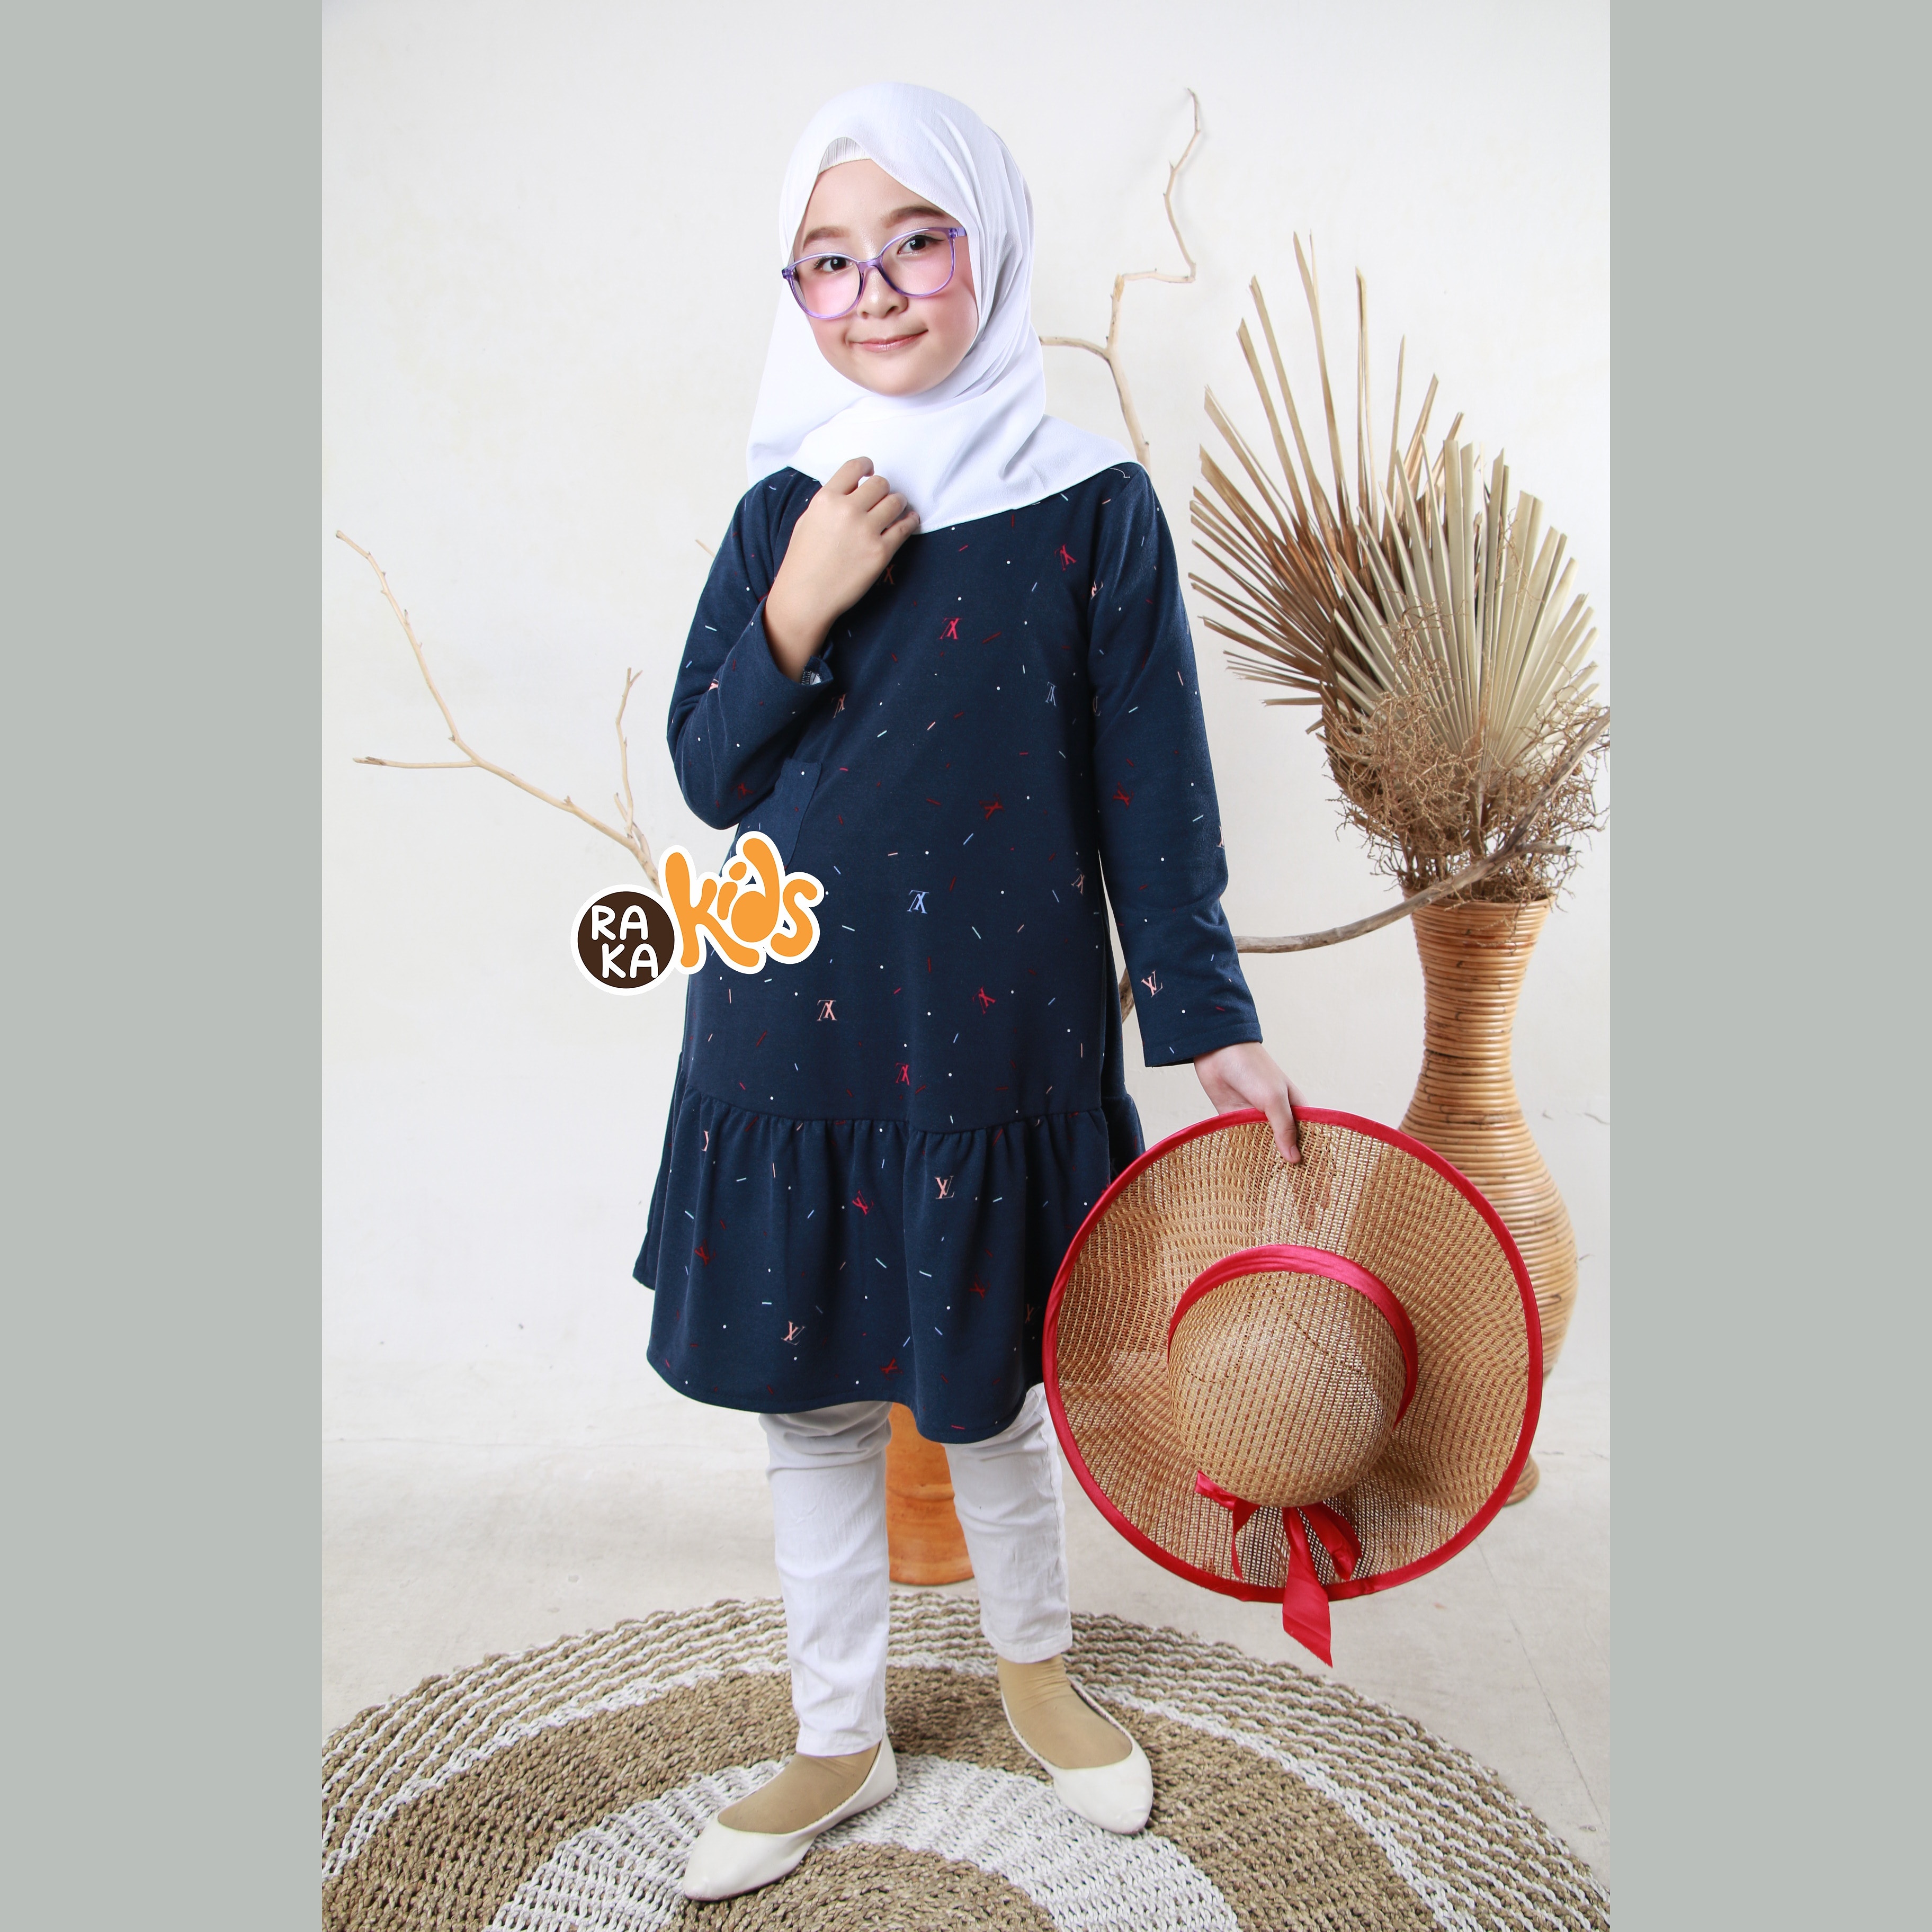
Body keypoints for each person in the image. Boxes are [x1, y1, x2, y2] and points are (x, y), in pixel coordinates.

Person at [633, 82, 1305, 1903]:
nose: (872, 292)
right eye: (828, 260)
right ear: (794, 288)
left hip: (1001, 1036)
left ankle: (1036, 1676)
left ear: (986, 248)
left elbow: (1153, 791)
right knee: (812, 1408)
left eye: (913, 242)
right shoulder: (785, 505)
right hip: (790, 1032)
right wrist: (802, 597)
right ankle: (835, 1732)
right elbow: (707, 767)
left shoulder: (1090, 507)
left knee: (995, 1386)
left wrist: (1210, 1022)